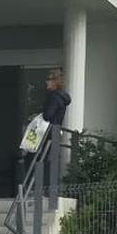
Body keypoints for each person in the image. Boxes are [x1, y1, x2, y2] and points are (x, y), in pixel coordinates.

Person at [41, 66, 73, 201]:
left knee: (44, 160)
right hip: (56, 131)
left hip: (50, 132)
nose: (46, 82)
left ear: (55, 81)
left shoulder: (53, 96)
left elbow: (48, 115)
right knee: (51, 160)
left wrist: (43, 114)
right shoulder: (62, 97)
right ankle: (50, 191)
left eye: (48, 79)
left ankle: (46, 192)